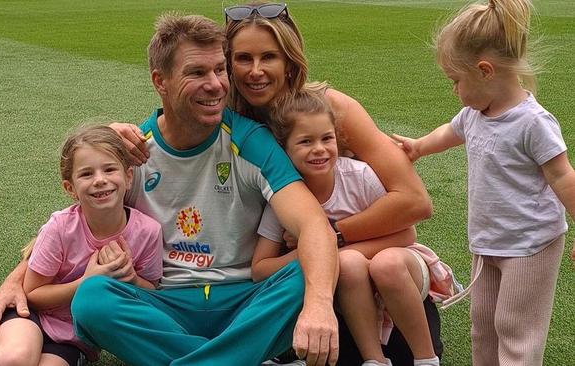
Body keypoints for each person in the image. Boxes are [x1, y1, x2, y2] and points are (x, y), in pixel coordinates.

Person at [0, 14, 340, 366]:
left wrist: (320, 305)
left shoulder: (250, 140)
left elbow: (313, 226)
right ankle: (235, 356)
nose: (216, 84)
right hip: (165, 305)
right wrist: (17, 275)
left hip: (243, 301)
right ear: (160, 80)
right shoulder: (135, 151)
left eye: (219, 69)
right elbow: (74, 221)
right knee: (92, 298)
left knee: (305, 275)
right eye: (197, 73)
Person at [112, 3, 441, 365]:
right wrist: (111, 138)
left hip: (363, 264)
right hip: (273, 267)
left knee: (329, 276)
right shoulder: (221, 112)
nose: (255, 71)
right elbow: (162, 132)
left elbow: (414, 202)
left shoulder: (326, 109)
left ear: (290, 61)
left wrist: (336, 236)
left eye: (269, 56)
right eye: (241, 59)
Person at [391, 0, 575, 364]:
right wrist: (419, 147)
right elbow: (451, 131)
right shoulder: (475, 113)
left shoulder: (533, 123)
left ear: (485, 71)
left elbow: (563, 175)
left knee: (515, 327)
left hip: (530, 243)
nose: (454, 90)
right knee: (483, 324)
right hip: (488, 240)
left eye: (456, 81)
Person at [252, 90, 458, 366]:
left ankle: (426, 359)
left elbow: (407, 233)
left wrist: (328, 245)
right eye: (305, 141)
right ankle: (373, 360)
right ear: (284, 149)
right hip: (350, 286)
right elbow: (259, 269)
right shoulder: (284, 195)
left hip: (398, 269)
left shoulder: (357, 176)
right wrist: (311, 252)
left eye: (327, 138)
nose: (319, 149)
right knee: (349, 264)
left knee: (379, 263)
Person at [0, 125, 164, 366]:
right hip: (31, 317)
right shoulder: (61, 227)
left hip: (74, 338)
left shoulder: (147, 232)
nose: (100, 180)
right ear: (70, 188)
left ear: (128, 177)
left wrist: (131, 279)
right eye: (86, 174)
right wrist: (86, 281)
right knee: (18, 357)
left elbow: (152, 293)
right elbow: (32, 294)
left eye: (109, 169)